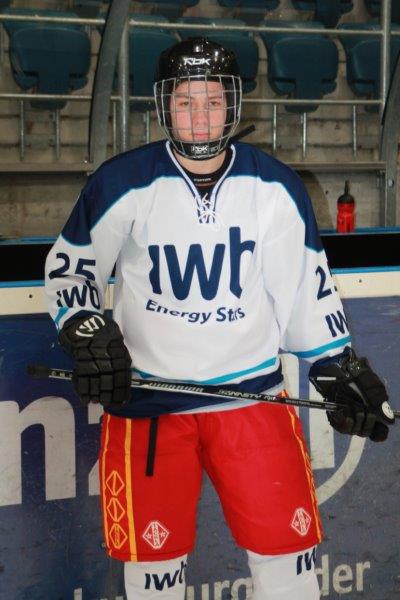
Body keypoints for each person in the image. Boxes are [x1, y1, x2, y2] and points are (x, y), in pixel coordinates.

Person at [45, 38, 394, 600]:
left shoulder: (274, 186)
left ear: (232, 104)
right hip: (150, 405)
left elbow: (303, 288)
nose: (200, 117)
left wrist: (337, 366)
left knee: (290, 570)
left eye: (212, 101)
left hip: (253, 402)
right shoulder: (121, 182)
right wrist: (85, 327)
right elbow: (72, 267)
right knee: (154, 578)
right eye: (186, 102)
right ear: (164, 106)